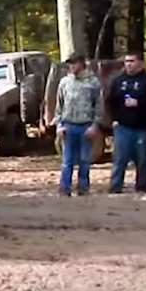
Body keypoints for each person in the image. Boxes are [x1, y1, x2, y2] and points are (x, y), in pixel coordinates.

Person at [54, 53, 104, 196]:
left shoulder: (93, 82)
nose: (71, 66)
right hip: (68, 126)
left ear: (82, 64)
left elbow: (99, 106)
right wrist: (59, 125)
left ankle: (83, 187)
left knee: (85, 160)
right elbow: (59, 106)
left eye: (74, 63)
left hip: (86, 126)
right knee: (67, 160)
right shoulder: (64, 82)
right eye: (70, 64)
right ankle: (64, 188)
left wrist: (95, 125)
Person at [107, 52, 146, 193]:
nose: (129, 64)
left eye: (132, 61)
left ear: (140, 63)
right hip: (122, 126)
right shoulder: (118, 81)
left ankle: (141, 186)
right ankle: (115, 187)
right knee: (120, 158)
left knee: (142, 159)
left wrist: (139, 103)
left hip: (143, 127)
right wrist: (114, 119)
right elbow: (110, 102)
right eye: (126, 61)